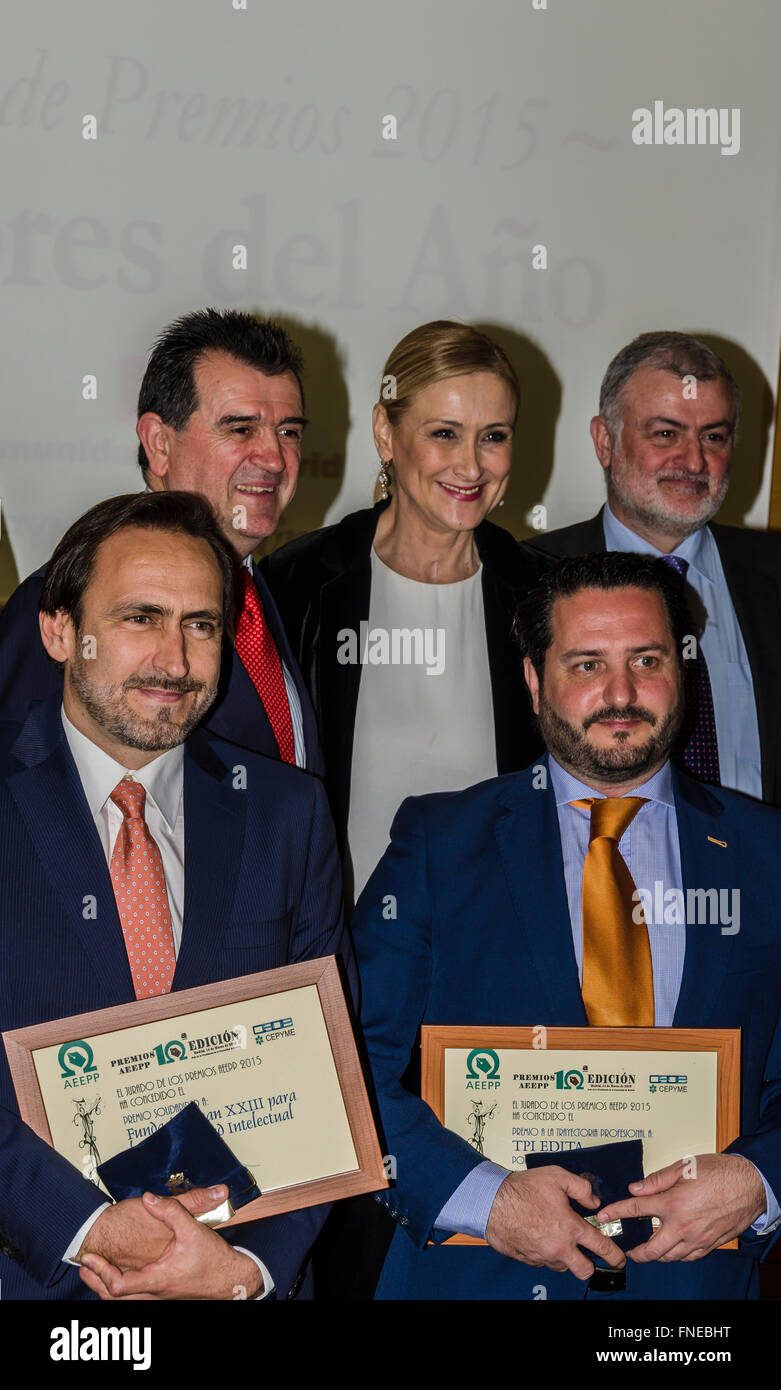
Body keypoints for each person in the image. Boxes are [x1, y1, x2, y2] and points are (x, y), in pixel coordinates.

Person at [351, 553, 781, 1300]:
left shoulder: (767, 853)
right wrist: (483, 1198)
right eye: (585, 664)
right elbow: (347, 1064)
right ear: (531, 679)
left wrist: (759, 1180)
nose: (620, 693)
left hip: (691, 1294)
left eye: (645, 659)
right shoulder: (439, 843)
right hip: (475, 1275)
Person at [0, 491, 351, 1301]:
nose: (175, 659)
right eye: (139, 618)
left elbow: (330, 1074)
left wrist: (246, 1268)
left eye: (200, 625)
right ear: (60, 631)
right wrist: (85, 1227)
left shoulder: (287, 813)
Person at [261, 320, 549, 906]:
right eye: (445, 433)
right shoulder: (297, 587)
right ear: (385, 433)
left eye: (493, 436)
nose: (471, 466)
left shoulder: (545, 594)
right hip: (342, 950)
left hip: (498, 946)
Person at [0, 309, 321, 772]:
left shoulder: (275, 594)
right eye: (240, 429)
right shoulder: (65, 597)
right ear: (159, 443)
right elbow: (17, 786)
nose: (273, 458)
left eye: (288, 431)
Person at [527, 330, 781, 805]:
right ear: (606, 441)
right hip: (591, 875)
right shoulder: (525, 576)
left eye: (714, 436)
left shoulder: (774, 576)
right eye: (666, 434)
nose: (693, 460)